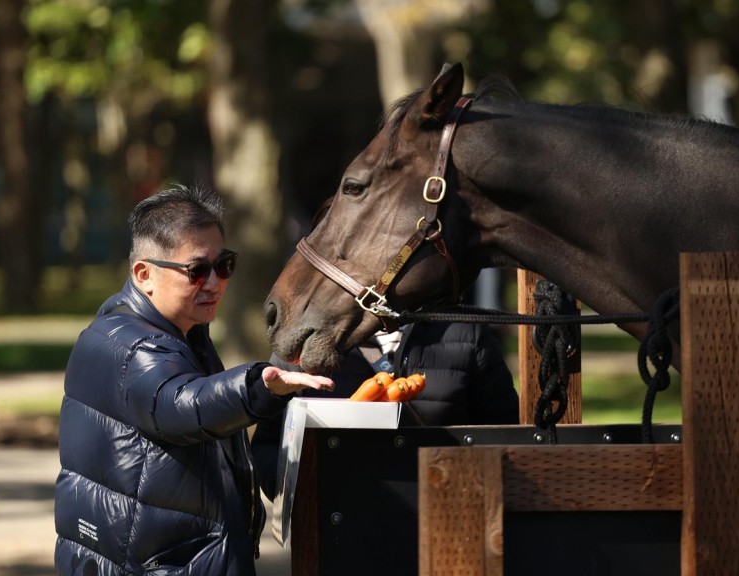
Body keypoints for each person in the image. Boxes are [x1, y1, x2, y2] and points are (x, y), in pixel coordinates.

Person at [54, 185, 333, 576]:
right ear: (144, 274)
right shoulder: (132, 345)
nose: (215, 283)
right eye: (197, 270)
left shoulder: (182, 333)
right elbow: (182, 404)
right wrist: (258, 387)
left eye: (224, 266)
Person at [252, 320, 518, 500]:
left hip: (446, 530)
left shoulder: (468, 335)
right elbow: (268, 445)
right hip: (337, 535)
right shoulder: (304, 343)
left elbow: (508, 442)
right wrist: (307, 494)